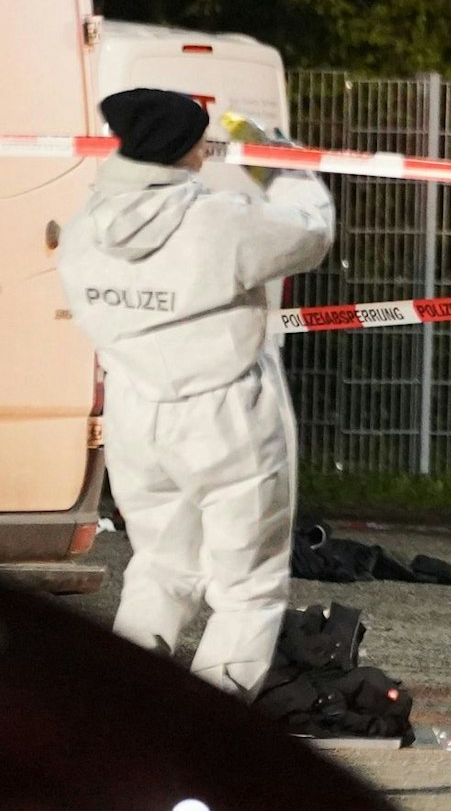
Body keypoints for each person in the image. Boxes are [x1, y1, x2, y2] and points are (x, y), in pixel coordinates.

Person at [57, 88, 335, 699]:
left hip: (136, 414)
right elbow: (311, 234)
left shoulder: (83, 227)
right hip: (224, 415)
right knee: (247, 588)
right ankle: (214, 730)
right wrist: (283, 165)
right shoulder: (220, 221)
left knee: (159, 567)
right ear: (188, 147)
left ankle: (124, 711)